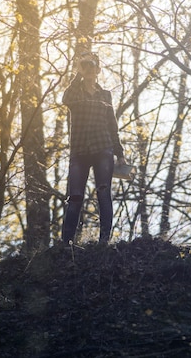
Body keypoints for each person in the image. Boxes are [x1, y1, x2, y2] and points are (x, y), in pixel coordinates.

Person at [61, 52, 125, 245]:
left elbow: (112, 125)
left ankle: (104, 241)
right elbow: (65, 99)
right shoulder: (75, 92)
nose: (90, 71)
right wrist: (77, 74)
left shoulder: (105, 95)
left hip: (102, 147)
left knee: (103, 193)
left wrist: (119, 153)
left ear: (98, 70)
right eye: (86, 68)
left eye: (93, 67)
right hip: (79, 151)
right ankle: (66, 243)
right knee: (75, 197)